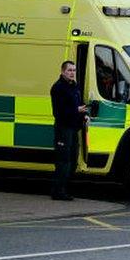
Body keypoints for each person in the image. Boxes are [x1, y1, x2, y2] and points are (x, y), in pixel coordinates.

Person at [50, 60, 88, 201]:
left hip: (73, 128)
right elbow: (58, 111)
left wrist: (84, 115)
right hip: (63, 128)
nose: (72, 73)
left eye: (74, 70)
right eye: (69, 70)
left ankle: (64, 188)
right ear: (62, 71)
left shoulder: (74, 86)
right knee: (63, 160)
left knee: (72, 160)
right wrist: (76, 110)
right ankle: (58, 191)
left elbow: (80, 104)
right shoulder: (58, 88)